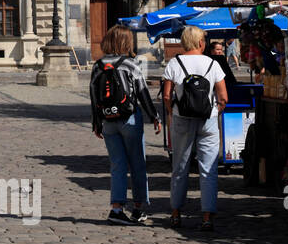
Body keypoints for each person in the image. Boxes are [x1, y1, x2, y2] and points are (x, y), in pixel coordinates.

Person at [91, 25, 160, 225]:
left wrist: (97, 123)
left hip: (108, 120)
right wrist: (154, 116)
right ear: (126, 42)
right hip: (129, 118)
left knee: (117, 165)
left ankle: (117, 209)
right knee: (137, 164)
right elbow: (142, 92)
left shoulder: (98, 65)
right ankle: (138, 209)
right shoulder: (131, 64)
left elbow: (94, 96)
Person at [162, 26, 227, 231]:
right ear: (201, 43)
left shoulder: (175, 63)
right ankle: (207, 216)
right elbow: (223, 96)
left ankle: (175, 213)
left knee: (179, 167)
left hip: (182, 119)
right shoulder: (212, 63)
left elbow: (166, 95)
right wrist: (216, 110)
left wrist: (172, 113)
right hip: (207, 119)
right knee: (208, 169)